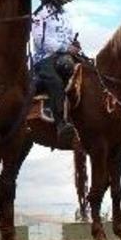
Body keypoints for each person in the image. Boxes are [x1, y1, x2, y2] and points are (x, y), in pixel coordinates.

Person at [30, 7, 81, 141]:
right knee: (55, 81)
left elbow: (69, 36)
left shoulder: (66, 14)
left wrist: (74, 45)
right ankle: (60, 124)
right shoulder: (39, 15)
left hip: (65, 56)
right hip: (44, 58)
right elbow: (40, 41)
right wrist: (66, 48)